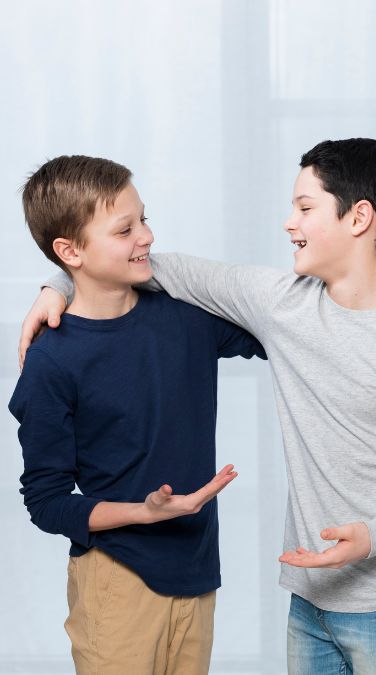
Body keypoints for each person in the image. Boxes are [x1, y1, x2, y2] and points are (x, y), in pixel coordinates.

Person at [20, 138, 376, 675]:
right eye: (128, 228)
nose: (288, 222)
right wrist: (55, 284)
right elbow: (125, 267)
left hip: (375, 599)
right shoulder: (280, 305)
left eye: (305, 207)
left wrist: (375, 536)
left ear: (359, 217)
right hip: (288, 596)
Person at [11, 154, 263, 674]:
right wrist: (142, 513)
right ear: (70, 251)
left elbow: (292, 327)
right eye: (125, 229)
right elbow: (47, 502)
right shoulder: (51, 361)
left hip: (198, 574)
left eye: (144, 219)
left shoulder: (189, 319)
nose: (146, 237)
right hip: (116, 580)